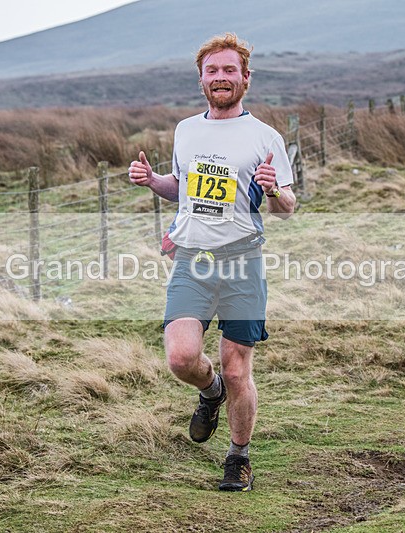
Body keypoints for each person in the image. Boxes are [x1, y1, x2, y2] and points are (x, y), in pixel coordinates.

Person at [128, 33, 296, 491]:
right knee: (181, 357)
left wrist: (274, 189)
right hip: (193, 261)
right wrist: (152, 181)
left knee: (238, 368)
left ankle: (238, 457)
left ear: (245, 77)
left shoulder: (265, 137)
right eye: (212, 71)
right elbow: (182, 189)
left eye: (229, 70)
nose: (220, 77)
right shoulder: (186, 130)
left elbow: (287, 207)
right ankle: (210, 390)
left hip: (242, 262)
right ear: (201, 79)